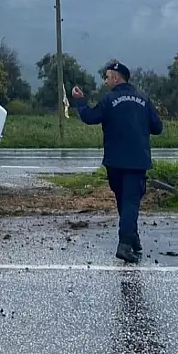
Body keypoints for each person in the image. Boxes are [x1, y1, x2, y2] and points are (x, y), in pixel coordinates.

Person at [71, 61, 163, 263]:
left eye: (106, 77)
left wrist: (80, 101)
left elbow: (90, 117)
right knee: (130, 203)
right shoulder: (144, 99)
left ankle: (133, 240)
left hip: (114, 161)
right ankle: (125, 245)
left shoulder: (109, 100)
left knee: (123, 201)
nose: (105, 81)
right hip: (137, 161)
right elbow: (158, 128)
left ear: (116, 77)